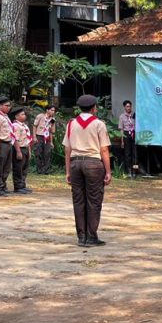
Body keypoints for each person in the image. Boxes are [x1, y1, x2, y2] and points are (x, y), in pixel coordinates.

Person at [63, 94, 112, 247]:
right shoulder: (98, 124)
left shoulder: (71, 124)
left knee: (78, 200)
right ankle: (91, 236)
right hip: (93, 163)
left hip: (76, 164)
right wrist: (108, 171)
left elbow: (67, 149)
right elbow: (104, 149)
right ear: (93, 108)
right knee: (94, 200)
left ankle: (81, 237)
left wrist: (68, 171)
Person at [11, 106, 33, 194]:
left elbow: (27, 139)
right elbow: (15, 139)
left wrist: (29, 150)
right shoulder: (15, 126)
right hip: (19, 148)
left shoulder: (24, 126)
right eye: (22, 114)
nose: (24, 116)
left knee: (24, 168)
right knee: (18, 168)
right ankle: (18, 186)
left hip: (25, 148)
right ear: (16, 117)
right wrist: (18, 151)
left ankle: (22, 184)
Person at [33, 105, 57, 174]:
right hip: (39, 136)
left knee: (47, 153)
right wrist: (34, 137)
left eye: (54, 110)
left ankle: (46, 170)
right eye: (52, 110)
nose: (53, 112)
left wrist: (51, 142)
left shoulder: (53, 119)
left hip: (47, 138)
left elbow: (51, 132)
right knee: (38, 153)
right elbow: (34, 126)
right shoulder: (40, 116)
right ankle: (39, 170)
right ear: (47, 110)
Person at [118, 100, 137, 177]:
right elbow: (121, 129)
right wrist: (122, 141)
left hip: (134, 134)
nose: (129, 108)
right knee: (127, 154)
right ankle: (129, 171)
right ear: (124, 107)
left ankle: (135, 170)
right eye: (127, 106)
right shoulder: (122, 116)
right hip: (126, 134)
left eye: (130, 106)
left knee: (135, 154)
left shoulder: (135, 115)